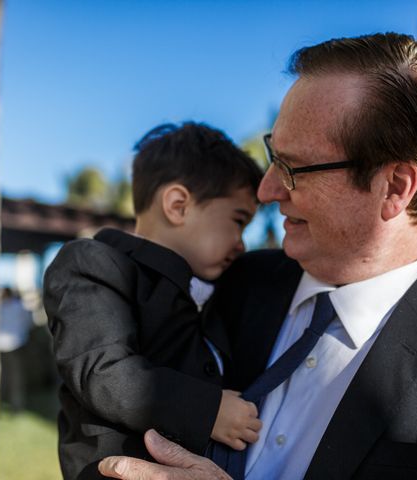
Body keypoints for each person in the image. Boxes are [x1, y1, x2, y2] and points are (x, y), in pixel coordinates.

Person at [100, 33, 417, 479]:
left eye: (292, 167)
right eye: (273, 155)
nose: (268, 190)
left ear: (395, 187)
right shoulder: (237, 281)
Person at [43, 122, 264, 479]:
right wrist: (208, 411)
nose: (242, 243)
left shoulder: (214, 289)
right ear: (178, 205)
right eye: (238, 221)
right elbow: (102, 370)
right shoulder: (95, 264)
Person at [0, 287, 34, 412]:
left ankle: (8, 403)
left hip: (6, 345)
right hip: (15, 344)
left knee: (5, 376)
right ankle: (15, 405)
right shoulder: (18, 307)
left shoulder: (0, 307)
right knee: (16, 377)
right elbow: (28, 323)